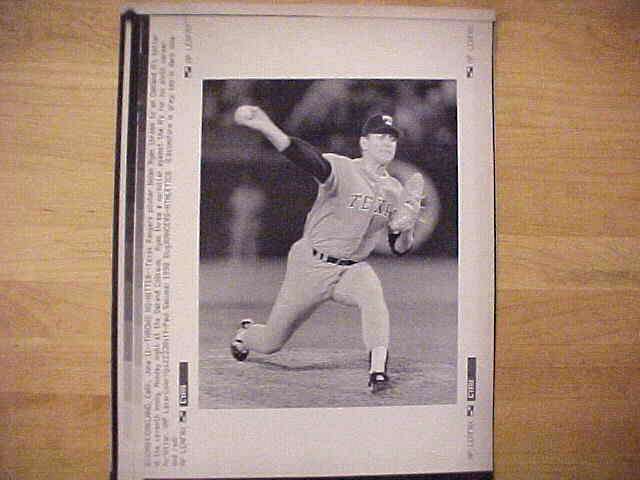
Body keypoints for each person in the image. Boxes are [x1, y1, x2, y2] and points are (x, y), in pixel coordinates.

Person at [229, 105, 423, 392]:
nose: (386, 143)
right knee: (272, 342)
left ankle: (378, 371)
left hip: (351, 270)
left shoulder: (394, 189)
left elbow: (399, 248)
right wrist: (268, 126)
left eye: (392, 138)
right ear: (363, 143)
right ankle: (246, 334)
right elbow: (307, 158)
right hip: (311, 265)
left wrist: (405, 228)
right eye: (379, 136)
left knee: (373, 295)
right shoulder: (343, 168)